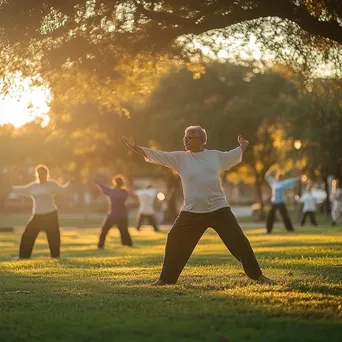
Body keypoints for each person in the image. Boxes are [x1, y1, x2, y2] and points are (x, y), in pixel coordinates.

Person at [123, 125, 272, 285]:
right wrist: (136, 148)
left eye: (190, 136)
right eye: (184, 137)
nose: (185, 139)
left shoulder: (215, 156)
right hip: (191, 212)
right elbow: (158, 155)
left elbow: (233, 155)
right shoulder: (180, 158)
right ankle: (166, 280)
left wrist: (243, 146)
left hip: (219, 210)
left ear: (201, 140)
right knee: (174, 238)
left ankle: (258, 275)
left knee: (239, 242)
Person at [12, 164, 70, 259]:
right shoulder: (33, 186)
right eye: (39, 173)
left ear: (46, 174)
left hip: (51, 214)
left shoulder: (52, 184)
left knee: (53, 236)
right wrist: (10, 187)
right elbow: (20, 189)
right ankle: (23, 256)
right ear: (36, 174)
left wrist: (70, 183)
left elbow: (62, 189)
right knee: (28, 235)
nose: (40, 175)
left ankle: (55, 256)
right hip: (37, 215)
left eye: (42, 173)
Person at [95, 175, 133, 248]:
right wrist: (97, 182)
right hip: (118, 215)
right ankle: (128, 244)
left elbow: (103, 188)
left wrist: (97, 182)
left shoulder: (116, 192)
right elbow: (103, 187)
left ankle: (101, 245)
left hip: (116, 215)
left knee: (107, 231)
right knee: (124, 231)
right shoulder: (122, 192)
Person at [265, 167, 299, 234]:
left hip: (281, 202)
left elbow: (291, 181)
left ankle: (290, 229)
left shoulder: (283, 183)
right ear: (277, 177)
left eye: (281, 177)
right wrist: (271, 169)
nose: (280, 178)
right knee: (270, 216)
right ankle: (268, 230)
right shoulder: (273, 182)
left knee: (285, 216)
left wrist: (297, 179)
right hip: (274, 202)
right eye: (279, 177)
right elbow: (266, 176)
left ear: (282, 178)